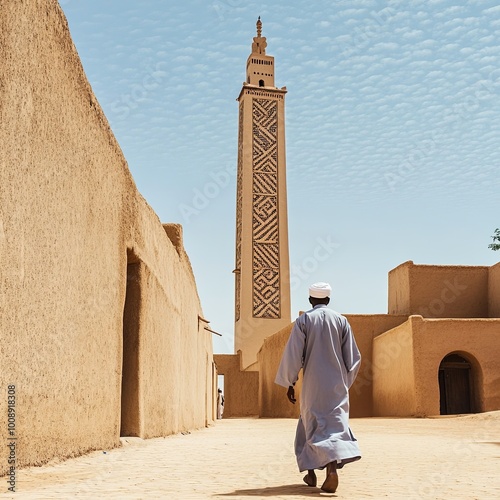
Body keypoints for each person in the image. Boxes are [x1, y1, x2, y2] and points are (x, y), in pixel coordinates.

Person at [275, 282, 361, 493]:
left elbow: (294, 355)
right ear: (328, 300)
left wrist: (290, 382)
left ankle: (311, 472)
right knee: (333, 427)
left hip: (312, 385)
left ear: (311, 300)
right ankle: (331, 470)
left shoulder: (304, 320)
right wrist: (344, 383)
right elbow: (353, 359)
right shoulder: (341, 321)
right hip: (336, 386)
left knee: (310, 424)